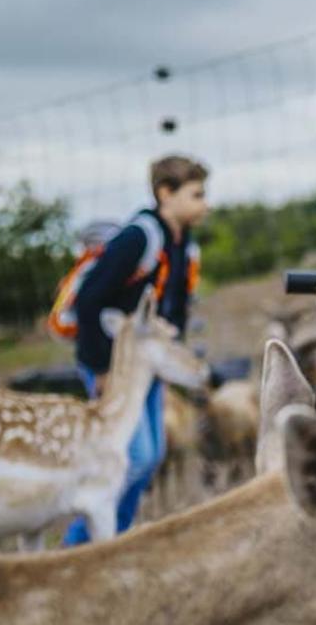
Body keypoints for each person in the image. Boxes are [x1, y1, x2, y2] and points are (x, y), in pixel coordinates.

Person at [62, 155, 209, 545]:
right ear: (165, 194)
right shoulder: (140, 238)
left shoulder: (182, 244)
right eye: (196, 194)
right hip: (115, 364)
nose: (204, 204)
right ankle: (77, 547)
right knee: (135, 456)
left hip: (146, 364)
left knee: (152, 455)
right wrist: (101, 368)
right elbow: (90, 300)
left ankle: (115, 539)